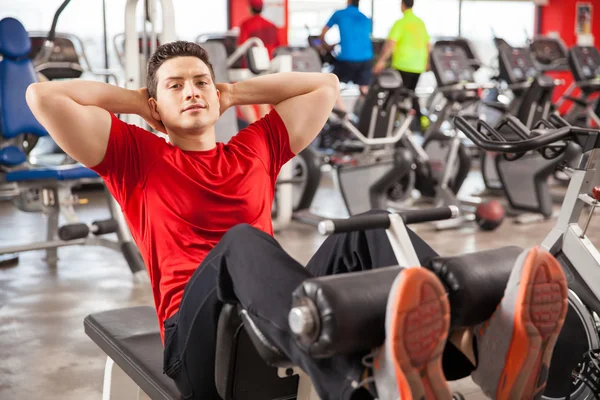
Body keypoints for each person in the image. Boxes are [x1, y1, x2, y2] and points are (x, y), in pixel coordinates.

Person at [26, 40, 568, 400]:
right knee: (240, 243)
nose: (192, 90)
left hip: (272, 315)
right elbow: (43, 95)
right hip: (195, 341)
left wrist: (233, 90)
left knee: (375, 223)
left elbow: (324, 88)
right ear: (155, 103)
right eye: (175, 85)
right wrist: (139, 103)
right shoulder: (134, 156)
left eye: (200, 82)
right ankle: (347, 382)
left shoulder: (253, 148)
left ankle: (476, 344)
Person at [373, 0, 430, 131]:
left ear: (402, 5)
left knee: (394, 94)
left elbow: (390, 43)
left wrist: (381, 61)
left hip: (403, 64)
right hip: (418, 65)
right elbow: (428, 44)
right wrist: (427, 62)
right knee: (410, 93)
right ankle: (422, 120)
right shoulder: (420, 23)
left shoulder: (401, 23)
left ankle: (387, 121)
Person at [319, 0, 374, 112]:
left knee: (331, 83)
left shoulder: (339, 13)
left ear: (348, 1)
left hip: (348, 59)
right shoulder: (365, 17)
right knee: (364, 88)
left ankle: (344, 114)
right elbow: (359, 38)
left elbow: (322, 34)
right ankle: (364, 115)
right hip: (367, 58)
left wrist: (327, 46)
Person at [237, 0, 280, 125]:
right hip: (268, 67)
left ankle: (255, 128)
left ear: (250, 8)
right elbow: (277, 47)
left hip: (251, 68)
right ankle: (264, 130)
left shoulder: (246, 24)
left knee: (242, 100)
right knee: (264, 100)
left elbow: (242, 46)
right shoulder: (271, 25)